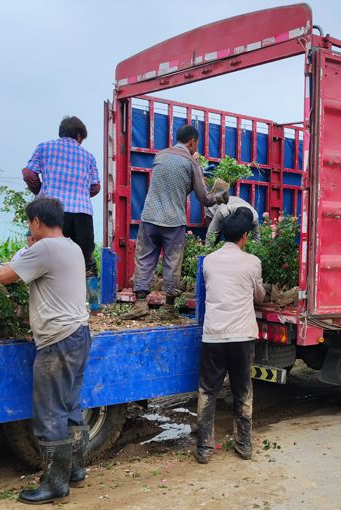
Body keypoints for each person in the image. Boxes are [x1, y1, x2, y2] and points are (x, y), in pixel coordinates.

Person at [0, 197, 92, 505]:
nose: (30, 228)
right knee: (70, 405)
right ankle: (76, 470)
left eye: (30, 223)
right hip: (79, 334)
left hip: (57, 340)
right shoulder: (72, 247)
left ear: (37, 222)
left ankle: (55, 484)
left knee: (50, 411)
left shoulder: (43, 248)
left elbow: (4, 276)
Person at [123, 125, 229, 319]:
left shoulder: (160, 156)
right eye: (196, 144)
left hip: (149, 217)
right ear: (192, 142)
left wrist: (199, 173)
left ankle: (139, 304)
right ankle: (169, 309)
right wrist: (219, 196)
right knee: (172, 262)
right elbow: (204, 198)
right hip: (173, 221)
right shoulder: (191, 162)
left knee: (145, 259)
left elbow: (171, 179)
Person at [195, 208, 266, 464]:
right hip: (242, 337)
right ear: (244, 236)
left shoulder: (209, 261)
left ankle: (204, 448)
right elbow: (260, 296)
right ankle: (244, 444)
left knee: (207, 391)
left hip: (213, 336)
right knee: (242, 391)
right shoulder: (252, 262)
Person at [22, 116, 100, 291]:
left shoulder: (44, 147)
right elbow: (95, 187)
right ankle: (92, 304)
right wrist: (80, 193)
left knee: (41, 252)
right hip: (82, 214)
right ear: (79, 136)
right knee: (84, 260)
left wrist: (40, 191)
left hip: (51, 212)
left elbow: (28, 174)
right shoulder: (88, 156)